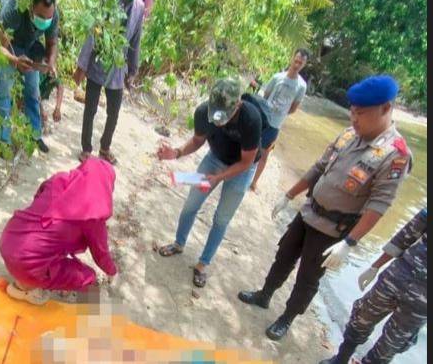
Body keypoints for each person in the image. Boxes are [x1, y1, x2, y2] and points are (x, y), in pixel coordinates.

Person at [237, 75, 413, 341]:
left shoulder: (395, 154)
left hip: (333, 231)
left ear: (386, 109)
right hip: (308, 212)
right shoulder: (349, 134)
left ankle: (287, 318)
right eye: (352, 112)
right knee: (283, 254)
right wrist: (289, 195)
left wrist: (350, 243)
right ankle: (265, 294)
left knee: (308, 278)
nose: (354, 119)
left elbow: (379, 204)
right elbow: (320, 167)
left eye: (361, 113)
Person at [155, 77, 262, 288]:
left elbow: (246, 161)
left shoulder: (251, 119)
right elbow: (197, 140)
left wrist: (220, 177)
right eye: (216, 115)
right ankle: (179, 243)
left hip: (242, 169)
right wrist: (175, 153)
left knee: (221, 219)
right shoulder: (203, 112)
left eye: (224, 116)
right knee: (190, 206)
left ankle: (203, 264)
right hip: (214, 159)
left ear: (237, 104)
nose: (218, 121)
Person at [0, 158, 118, 305]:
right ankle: (27, 288)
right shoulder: (94, 213)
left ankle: (23, 282)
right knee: (88, 276)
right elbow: (101, 253)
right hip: (28, 263)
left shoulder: (58, 180)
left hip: (8, 240)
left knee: (50, 246)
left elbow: (38, 198)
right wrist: (112, 271)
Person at [320, 208, 427, 364]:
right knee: (361, 318)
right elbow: (404, 238)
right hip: (397, 277)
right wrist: (375, 267)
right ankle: (340, 360)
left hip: (422, 303)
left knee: (391, 344)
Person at [74, 0, 146, 165]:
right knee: (91, 108)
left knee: (113, 112)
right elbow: (92, 34)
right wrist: (82, 65)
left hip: (118, 67)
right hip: (98, 62)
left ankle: (105, 147)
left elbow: (136, 39)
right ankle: (86, 148)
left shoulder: (140, 7)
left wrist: (132, 70)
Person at [0, 0, 59, 154]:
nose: (45, 20)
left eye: (48, 17)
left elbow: (52, 43)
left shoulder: (52, 13)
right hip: (9, 45)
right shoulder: (14, 6)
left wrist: (51, 63)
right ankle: (3, 141)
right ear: (30, 7)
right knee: (4, 91)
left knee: (32, 90)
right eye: (40, 16)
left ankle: (34, 136)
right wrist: (15, 60)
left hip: (29, 45)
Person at [249, 49, 309, 192]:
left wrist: (280, 114)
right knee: (250, 146)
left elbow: (294, 107)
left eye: (301, 62)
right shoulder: (277, 77)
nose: (297, 64)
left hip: (275, 125)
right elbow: (266, 96)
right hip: (263, 119)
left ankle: (254, 182)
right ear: (292, 59)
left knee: (264, 154)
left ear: (304, 64)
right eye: (296, 60)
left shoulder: (302, 85)